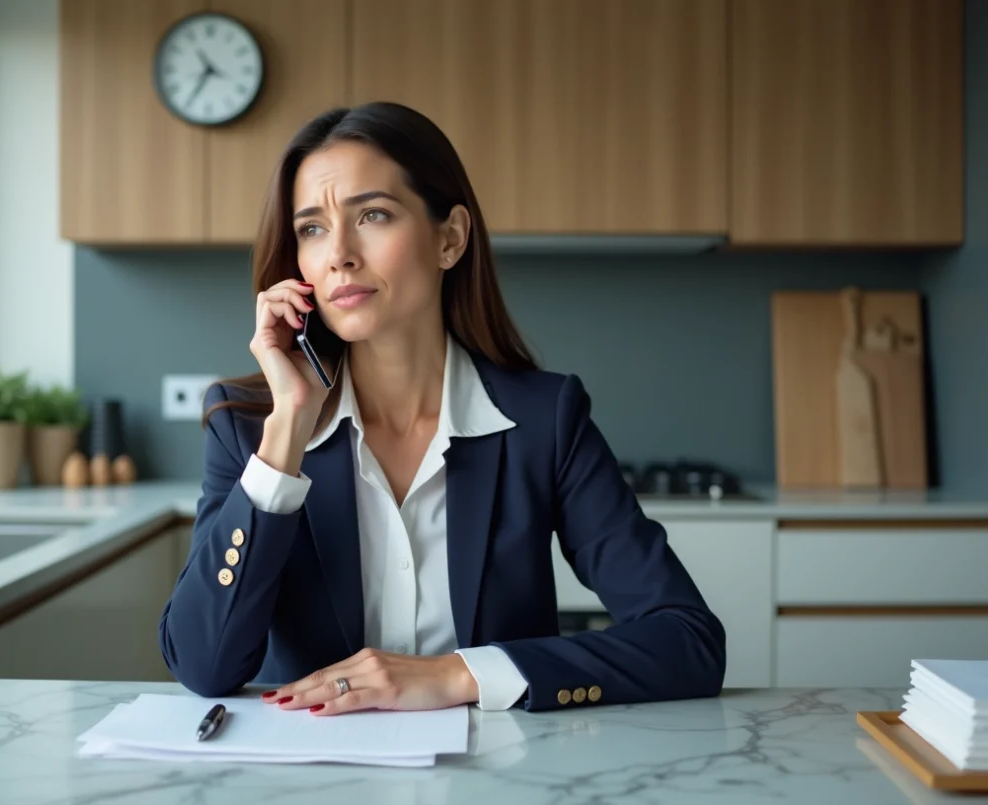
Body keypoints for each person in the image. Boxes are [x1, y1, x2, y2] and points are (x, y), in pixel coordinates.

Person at [158, 101, 726, 715]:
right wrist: (288, 431)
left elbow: (687, 640)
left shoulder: (544, 420)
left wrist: (458, 675)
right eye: (311, 229)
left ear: (449, 238)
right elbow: (204, 666)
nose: (339, 254)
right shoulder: (249, 426)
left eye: (372, 215)